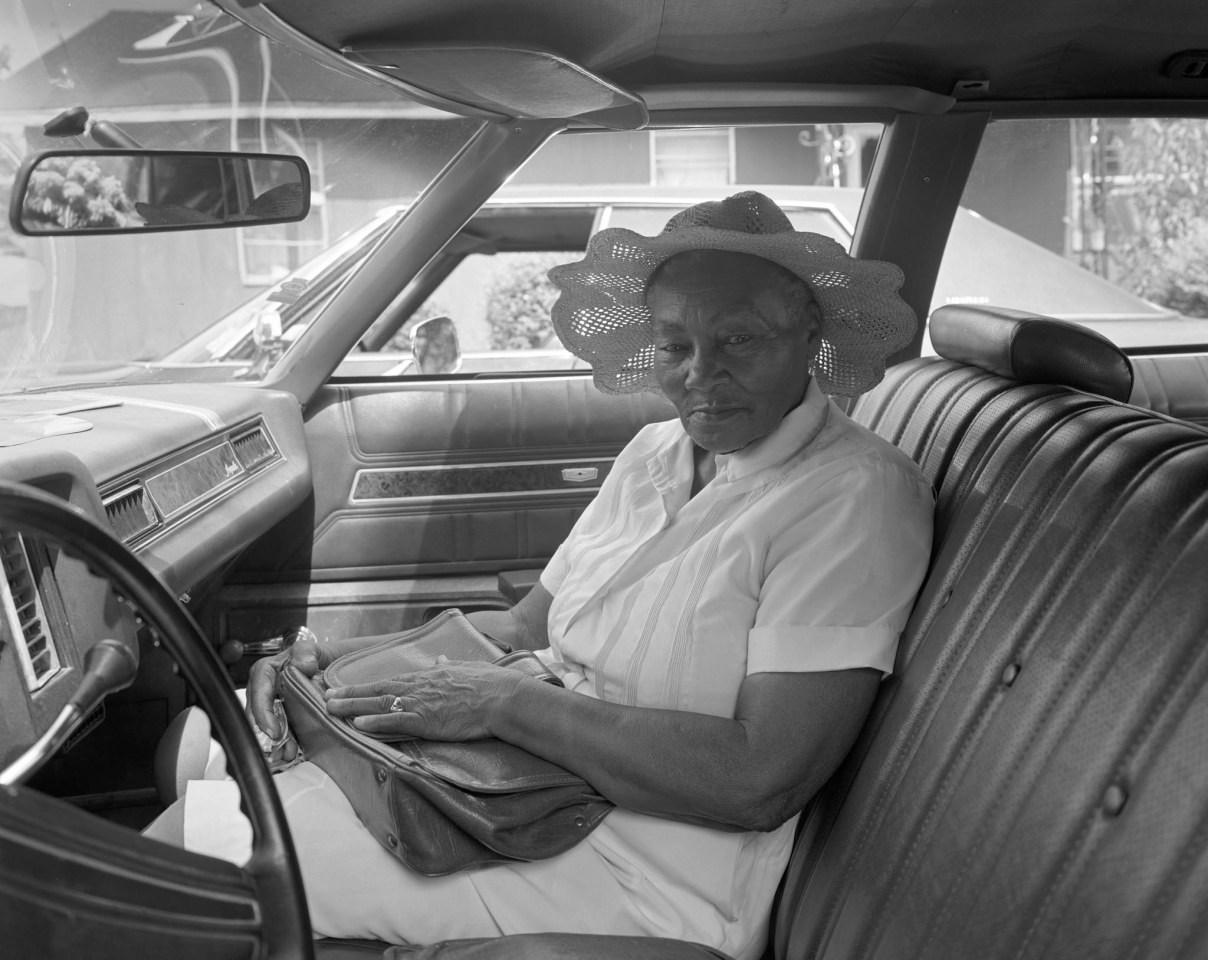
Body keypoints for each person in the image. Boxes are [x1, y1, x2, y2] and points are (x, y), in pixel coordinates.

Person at [155, 191, 934, 960]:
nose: (701, 374)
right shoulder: (656, 453)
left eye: (740, 340)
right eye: (674, 345)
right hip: (519, 790)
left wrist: (509, 707)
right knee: (211, 744)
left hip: (647, 869)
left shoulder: (854, 495)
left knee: (179, 866)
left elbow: (760, 778)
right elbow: (526, 629)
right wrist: (326, 670)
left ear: (810, 337)